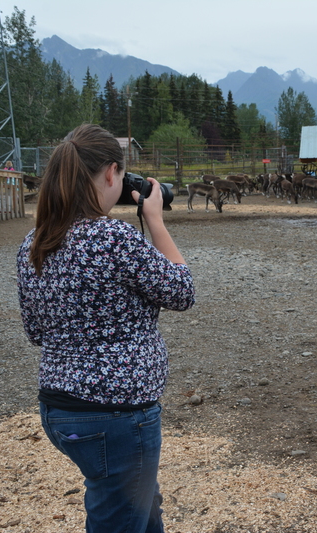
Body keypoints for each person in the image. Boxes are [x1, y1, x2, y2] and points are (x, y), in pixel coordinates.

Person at [16, 124, 195, 532]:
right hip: (117, 417)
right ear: (112, 173)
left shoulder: (33, 243)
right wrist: (155, 220)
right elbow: (182, 291)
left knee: (141, 511)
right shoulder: (112, 237)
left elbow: (36, 332)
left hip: (59, 410)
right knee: (118, 520)